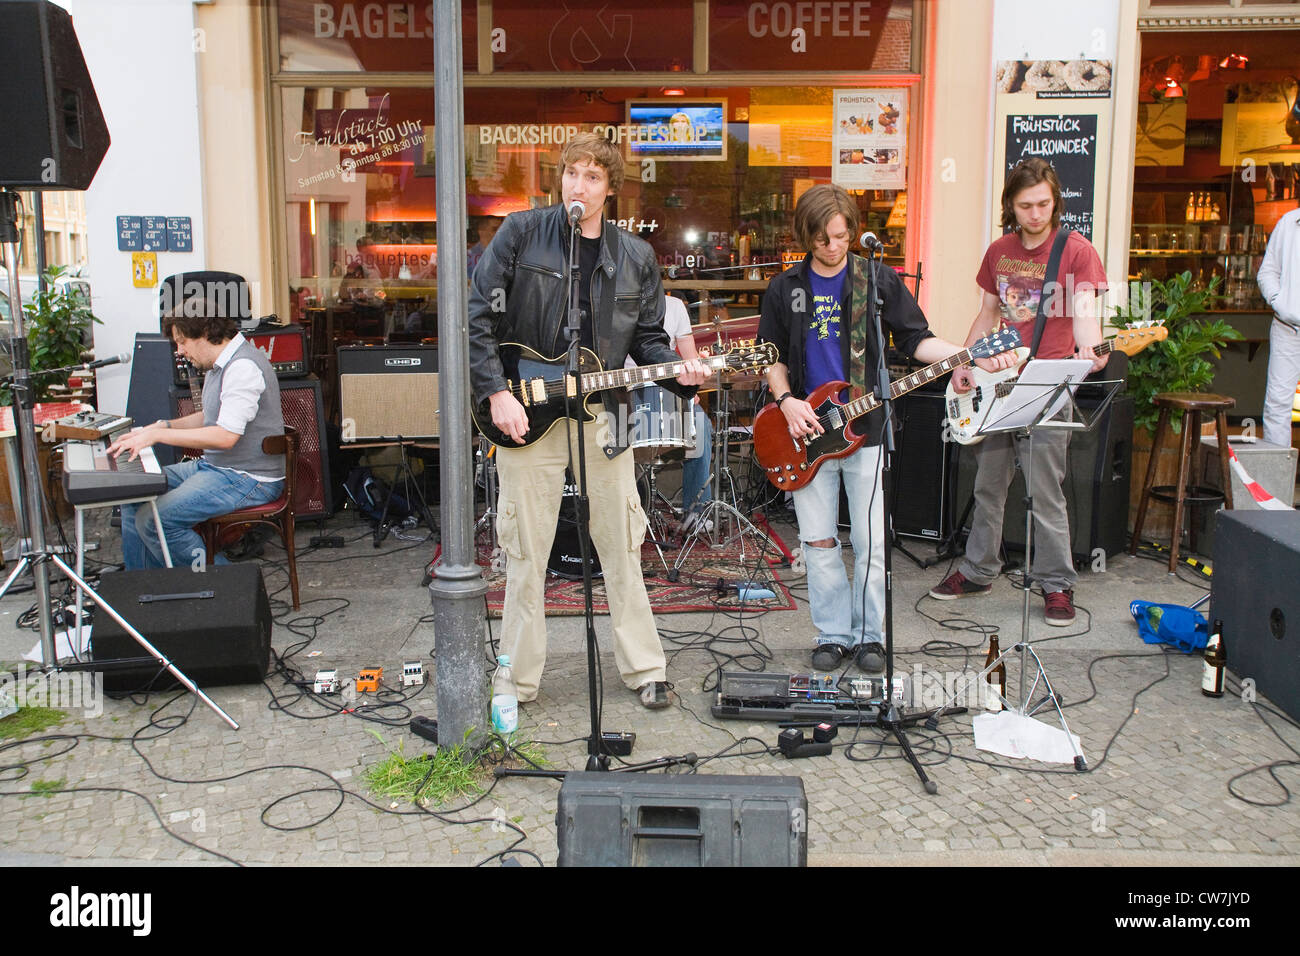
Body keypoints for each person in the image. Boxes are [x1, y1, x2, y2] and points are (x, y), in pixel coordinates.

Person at [467, 131, 708, 708]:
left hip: (608, 409)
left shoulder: (636, 256)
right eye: (573, 173)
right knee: (526, 549)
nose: (581, 184)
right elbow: (475, 313)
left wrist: (682, 373)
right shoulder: (522, 233)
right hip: (527, 405)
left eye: (594, 176)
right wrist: (495, 391)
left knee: (622, 542)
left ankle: (646, 670)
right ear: (561, 179)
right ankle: (516, 681)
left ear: (609, 188)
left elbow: (650, 341)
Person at [757, 183, 967, 673]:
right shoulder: (786, 287)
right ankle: (832, 633)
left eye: (841, 235)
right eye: (822, 239)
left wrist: (964, 354)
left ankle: (871, 636)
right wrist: (786, 402)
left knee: (872, 540)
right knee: (820, 540)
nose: (834, 246)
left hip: (866, 428)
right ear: (806, 237)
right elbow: (769, 358)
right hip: (805, 431)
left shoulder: (877, 280)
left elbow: (917, 340)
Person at [930, 157, 1107, 625]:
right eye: (1026, 205)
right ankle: (979, 570)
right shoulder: (999, 250)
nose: (1035, 213)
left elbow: (1086, 309)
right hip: (997, 382)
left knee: (1046, 492)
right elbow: (987, 313)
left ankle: (1057, 584)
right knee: (988, 486)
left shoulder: (1076, 250)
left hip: (1047, 383)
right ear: (1011, 203)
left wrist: (1091, 346)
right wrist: (963, 363)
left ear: (1055, 201)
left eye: (1044, 204)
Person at [111, 301, 285, 570]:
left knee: (154, 521)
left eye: (182, 341)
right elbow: (210, 418)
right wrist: (160, 427)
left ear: (204, 333)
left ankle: (226, 585)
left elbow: (225, 436)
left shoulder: (242, 367)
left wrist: (158, 437)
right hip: (220, 469)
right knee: (134, 492)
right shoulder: (222, 364)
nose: (179, 351)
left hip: (249, 478)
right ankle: (142, 590)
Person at [630, 294, 713, 532]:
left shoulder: (675, 306)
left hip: (668, 393)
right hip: (625, 394)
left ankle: (696, 512)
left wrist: (693, 382)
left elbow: (690, 358)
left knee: (700, 422)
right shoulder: (613, 300)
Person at [1256, 206, 1300, 450]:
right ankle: (1276, 484)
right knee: (1277, 407)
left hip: (1287, 327)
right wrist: (1278, 301)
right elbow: (1267, 272)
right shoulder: (1288, 222)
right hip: (1287, 328)